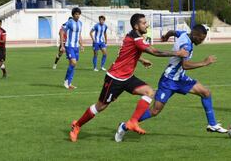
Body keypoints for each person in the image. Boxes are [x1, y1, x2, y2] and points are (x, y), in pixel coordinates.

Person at [69, 13, 189, 142]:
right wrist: (178, 53)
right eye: (144, 23)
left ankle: (132, 122)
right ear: (136, 26)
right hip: (114, 78)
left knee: (149, 92)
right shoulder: (137, 39)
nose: (147, 24)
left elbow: (126, 52)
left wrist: (140, 59)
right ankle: (77, 125)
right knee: (101, 106)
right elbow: (155, 52)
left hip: (127, 77)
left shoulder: (133, 36)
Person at [114, 25, 227, 142]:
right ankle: (125, 125)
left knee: (206, 93)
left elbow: (173, 32)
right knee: (155, 111)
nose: (202, 41)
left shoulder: (184, 33)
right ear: (194, 35)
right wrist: (204, 62)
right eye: (201, 38)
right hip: (169, 81)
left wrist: (166, 36)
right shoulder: (186, 46)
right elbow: (185, 65)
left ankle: (212, 124)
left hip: (180, 79)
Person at [61, 8, 84, 90]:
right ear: (73, 15)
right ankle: (66, 82)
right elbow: (62, 31)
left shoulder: (80, 23)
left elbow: (79, 35)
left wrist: (81, 45)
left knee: (73, 65)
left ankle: (69, 83)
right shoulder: (70, 22)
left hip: (76, 46)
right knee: (73, 63)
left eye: (79, 14)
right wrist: (62, 45)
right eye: (76, 14)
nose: (77, 15)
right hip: (69, 46)